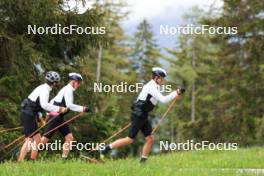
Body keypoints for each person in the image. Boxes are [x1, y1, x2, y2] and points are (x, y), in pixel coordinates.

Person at [100, 67, 184, 163]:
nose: (163, 80)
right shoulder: (151, 87)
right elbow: (163, 100)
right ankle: (105, 149)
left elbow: (155, 100)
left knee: (150, 139)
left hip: (143, 115)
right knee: (129, 140)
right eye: (162, 78)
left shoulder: (155, 86)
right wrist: (175, 92)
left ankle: (142, 163)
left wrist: (175, 94)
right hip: (138, 115)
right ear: (156, 78)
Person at [37, 73, 90, 160]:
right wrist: (83, 108)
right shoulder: (68, 89)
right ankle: (30, 154)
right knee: (45, 139)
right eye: (78, 83)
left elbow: (52, 101)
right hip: (55, 117)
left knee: (69, 137)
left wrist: (47, 115)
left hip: (59, 117)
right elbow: (69, 105)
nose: (79, 85)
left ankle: (64, 159)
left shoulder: (66, 89)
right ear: (74, 82)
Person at [18, 71, 68, 161]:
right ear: (55, 83)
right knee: (29, 139)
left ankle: (32, 160)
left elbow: (36, 104)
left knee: (37, 139)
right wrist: (59, 109)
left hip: (31, 113)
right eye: (57, 82)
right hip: (28, 113)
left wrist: (40, 118)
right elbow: (44, 105)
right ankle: (19, 162)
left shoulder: (43, 87)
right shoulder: (45, 90)